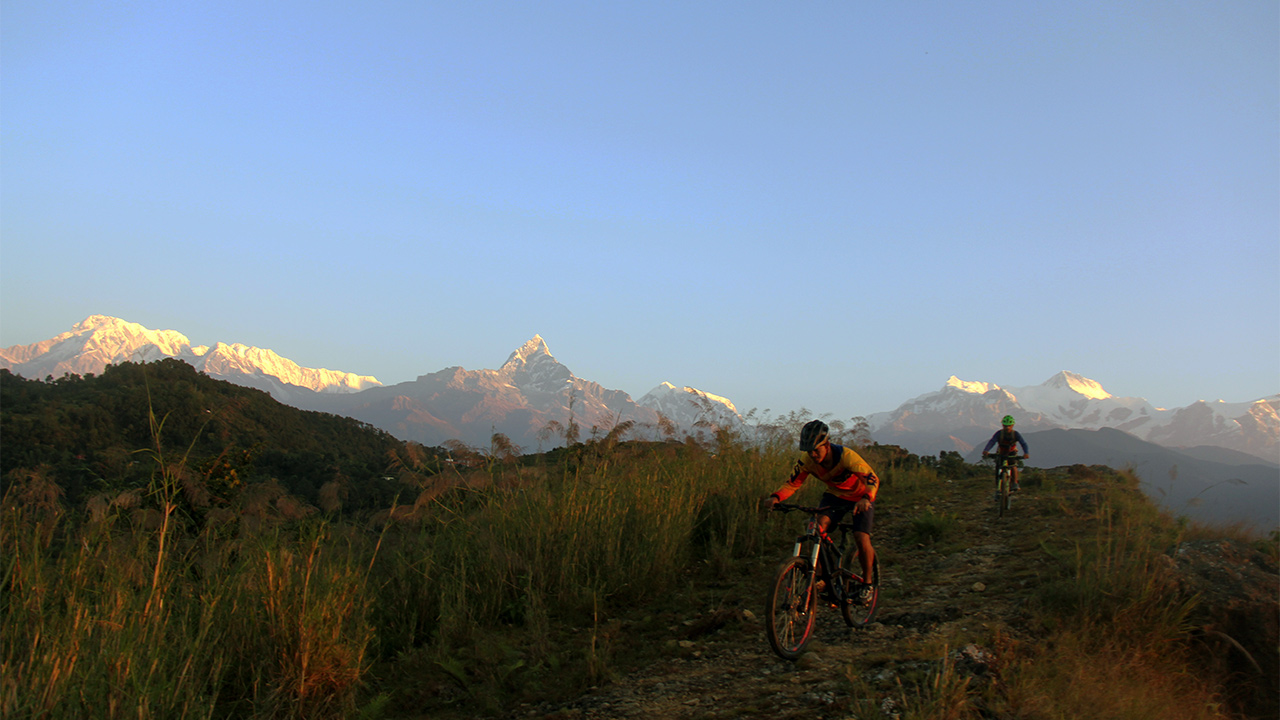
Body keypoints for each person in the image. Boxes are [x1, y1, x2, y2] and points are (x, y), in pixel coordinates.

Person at [766, 420, 879, 605]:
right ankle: (823, 576)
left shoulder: (846, 456)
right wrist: (776, 497)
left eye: (816, 450)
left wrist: (866, 498)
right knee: (817, 528)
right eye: (808, 450)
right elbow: (793, 483)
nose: (812, 454)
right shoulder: (808, 461)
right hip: (835, 496)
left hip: (860, 497)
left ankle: (867, 584)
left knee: (861, 536)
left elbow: (872, 478)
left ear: (826, 445)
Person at [981, 415, 1030, 490]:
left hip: (1011, 452)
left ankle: (1015, 483)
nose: (1007, 428)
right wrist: (986, 450)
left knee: (1013, 465)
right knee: (998, 467)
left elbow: (1023, 443)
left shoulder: (1015, 434)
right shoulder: (999, 434)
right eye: (1005, 426)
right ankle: (998, 487)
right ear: (1002, 425)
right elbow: (992, 441)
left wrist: (1026, 453)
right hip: (1001, 452)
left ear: (1012, 425)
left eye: (1009, 426)